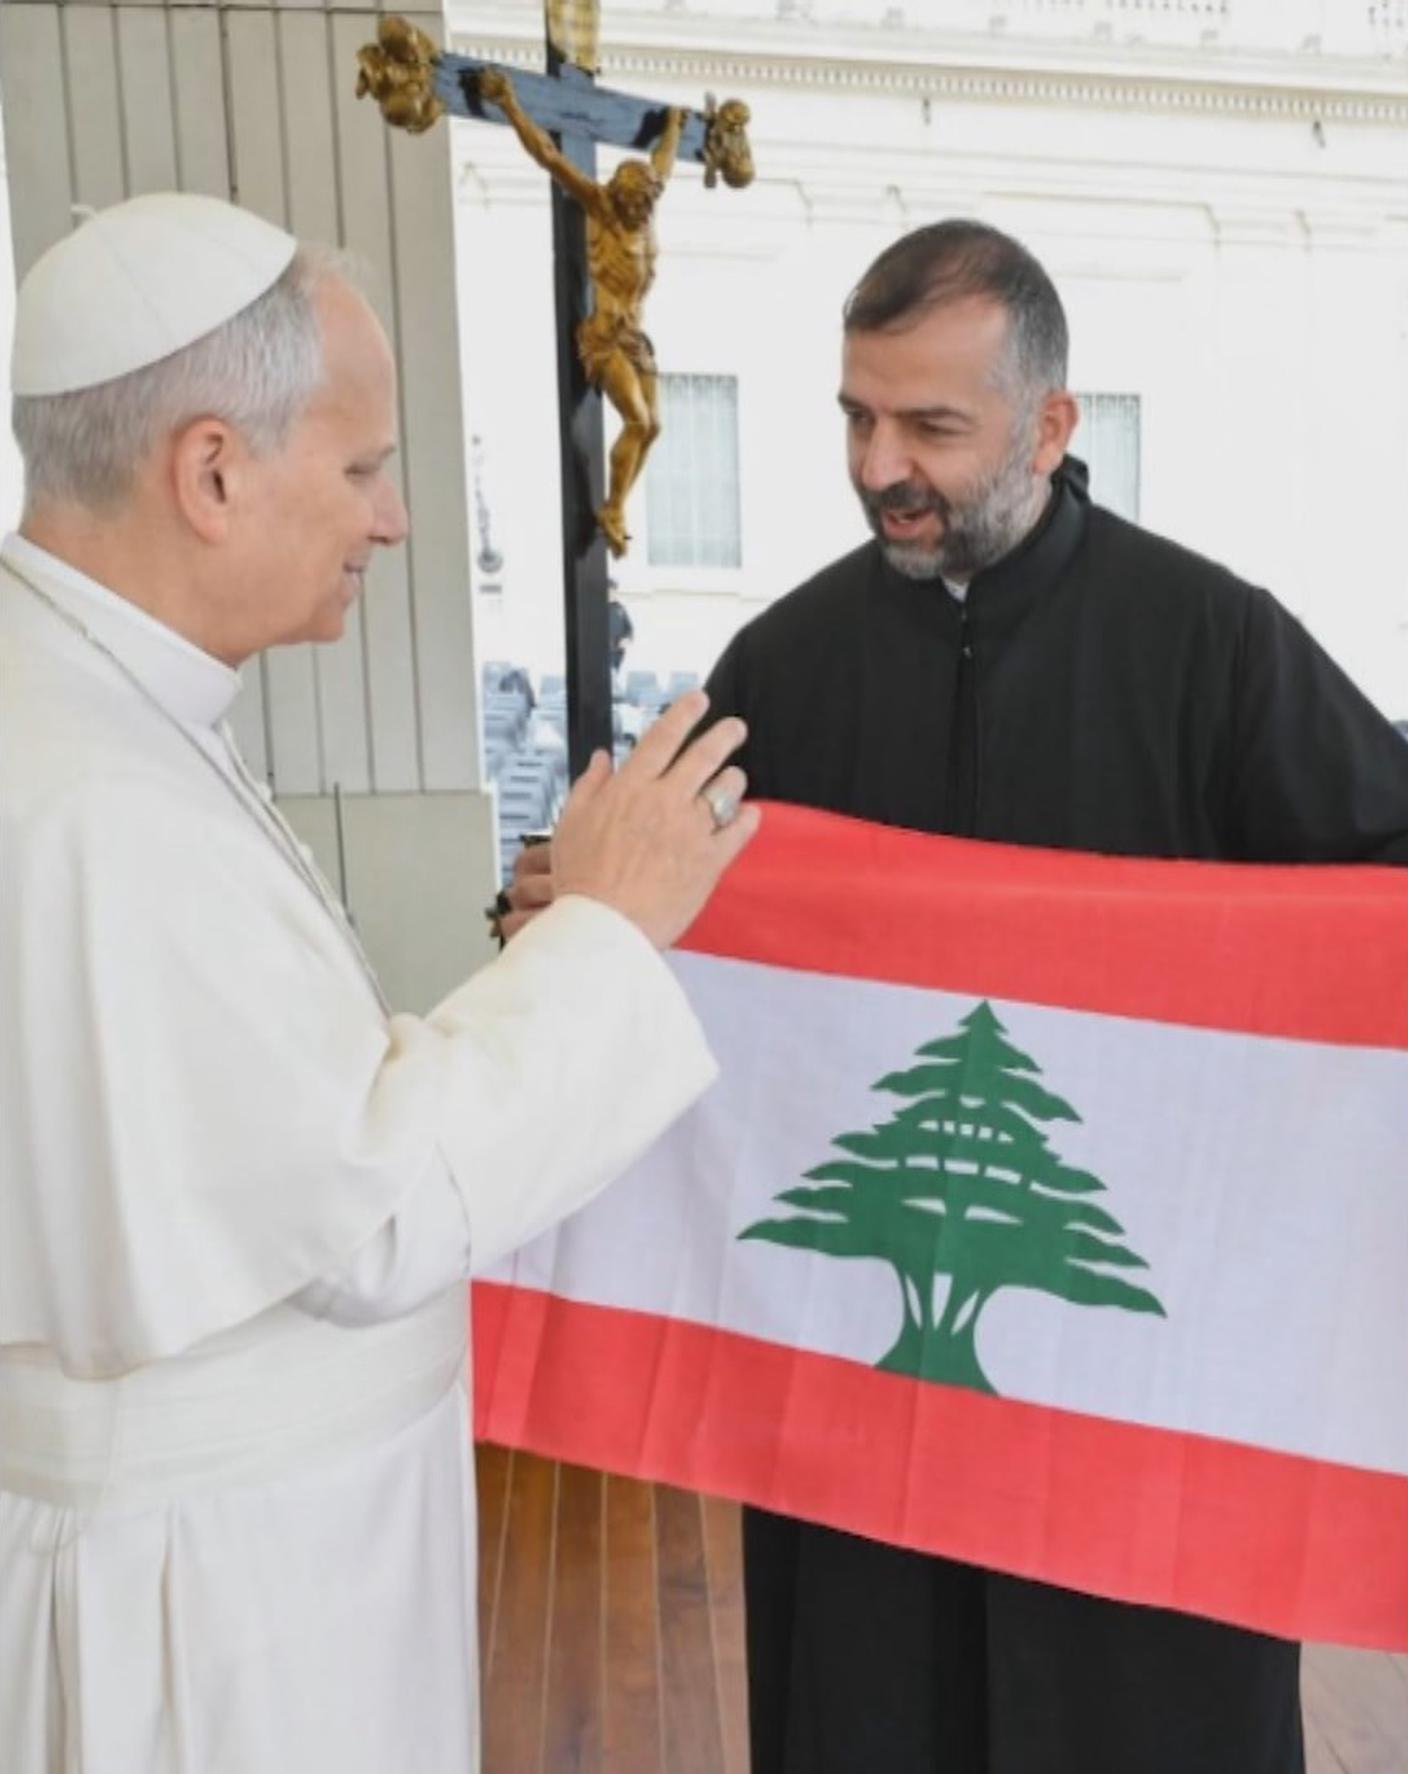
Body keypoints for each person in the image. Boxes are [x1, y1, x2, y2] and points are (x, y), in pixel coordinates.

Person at [0, 192, 758, 1774]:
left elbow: (266, 1112)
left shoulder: (90, 708)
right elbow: (364, 1203)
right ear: (211, 471)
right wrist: (608, 931)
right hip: (221, 1606)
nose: (393, 519)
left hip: (241, 1543)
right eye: (359, 468)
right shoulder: (94, 796)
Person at [700, 219, 1408, 1774]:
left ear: (1052, 423)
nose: (881, 464)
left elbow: (1388, 888)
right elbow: (659, 920)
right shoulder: (784, 663)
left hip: (1149, 1355)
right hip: (860, 1365)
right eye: (854, 416)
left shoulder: (1213, 644)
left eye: (932, 428)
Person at [476, 67, 684, 558]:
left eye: (646, 205)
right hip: (605, 336)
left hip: (636, 337)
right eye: (635, 204)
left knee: (654, 426)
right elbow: (548, 154)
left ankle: (615, 508)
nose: (640, 212)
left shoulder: (645, 210)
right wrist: (509, 103)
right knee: (636, 420)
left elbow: (664, 162)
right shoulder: (602, 207)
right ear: (622, 197)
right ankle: (613, 507)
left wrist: (674, 126)